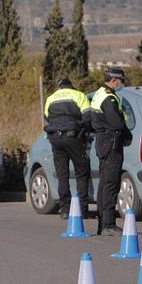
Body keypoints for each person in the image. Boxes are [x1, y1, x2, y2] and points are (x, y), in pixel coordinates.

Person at [90, 67, 132, 236]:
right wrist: (127, 134)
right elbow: (116, 122)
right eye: (120, 80)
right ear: (114, 80)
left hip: (103, 142)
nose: (121, 84)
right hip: (111, 142)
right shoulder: (109, 99)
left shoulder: (99, 93)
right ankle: (108, 224)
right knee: (111, 184)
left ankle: (103, 222)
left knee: (104, 183)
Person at [43, 78, 92, 219]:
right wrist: (85, 132)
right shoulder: (79, 95)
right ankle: (82, 210)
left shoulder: (50, 98)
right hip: (73, 137)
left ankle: (65, 210)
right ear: (72, 86)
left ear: (59, 87)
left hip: (55, 139)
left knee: (62, 175)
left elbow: (47, 118)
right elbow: (88, 118)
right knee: (82, 172)